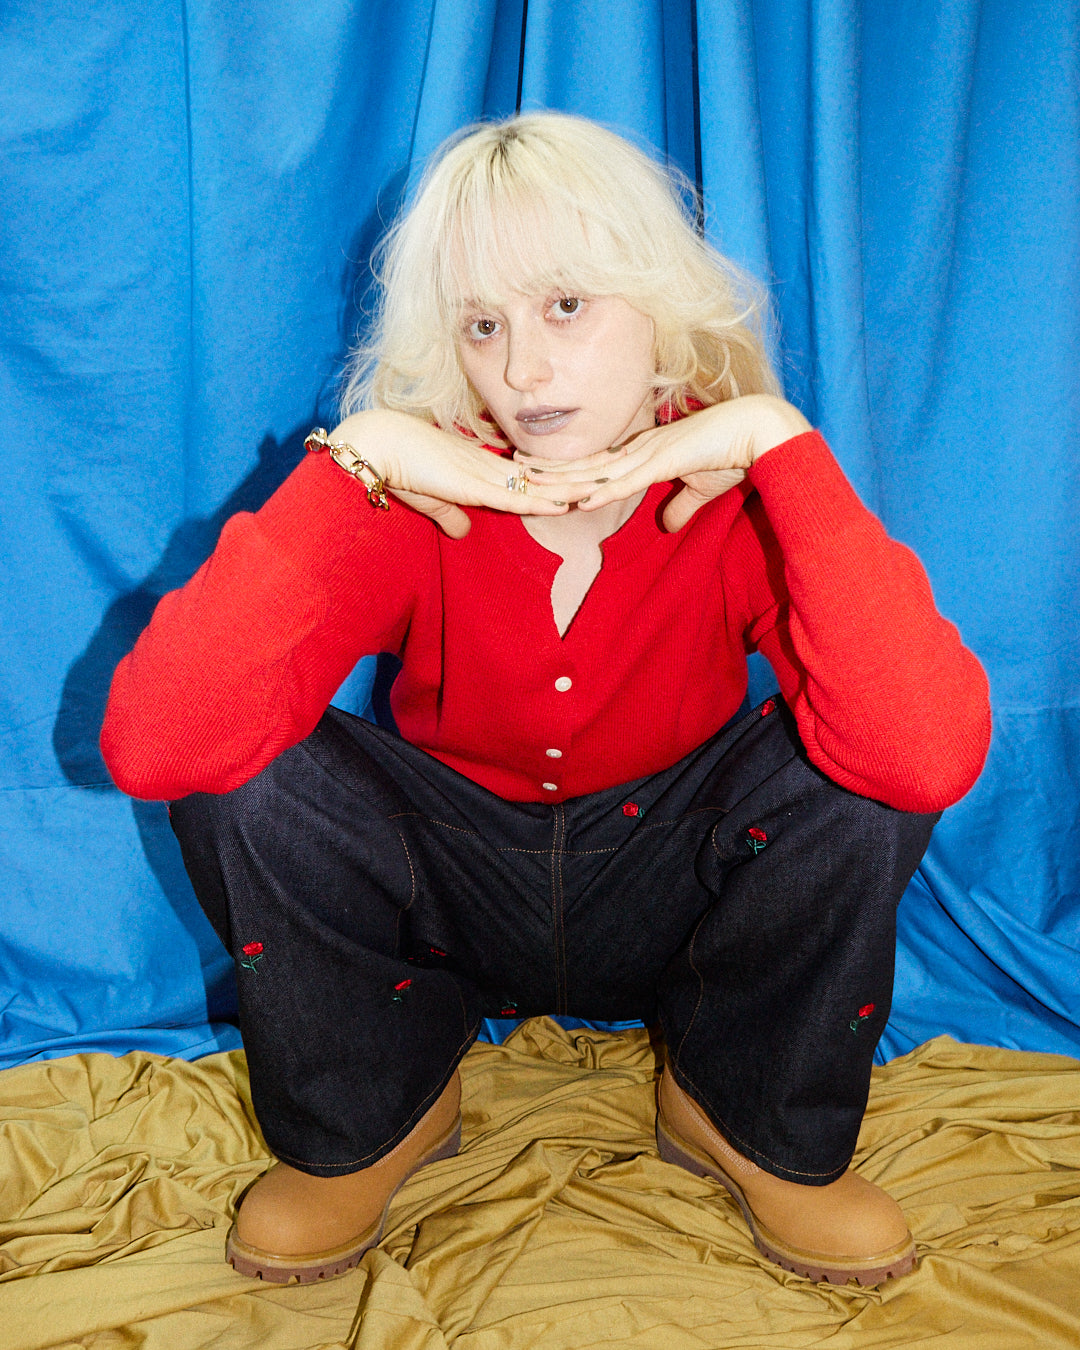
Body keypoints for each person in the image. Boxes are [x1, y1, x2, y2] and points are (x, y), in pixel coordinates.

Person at [101, 112, 991, 1289]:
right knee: (243, 764)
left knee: (862, 758)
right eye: (484, 325)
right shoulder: (413, 495)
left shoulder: (734, 500)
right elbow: (159, 744)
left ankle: (742, 1112)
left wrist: (778, 443)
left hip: (676, 895)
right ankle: (375, 1112)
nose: (523, 371)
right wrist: (356, 460)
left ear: (658, 306)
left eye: (566, 306)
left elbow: (926, 755)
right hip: (452, 900)